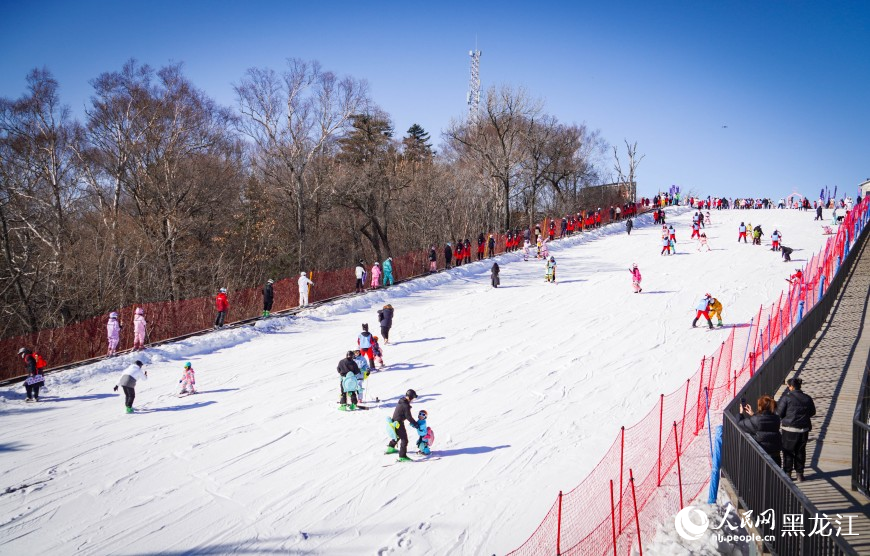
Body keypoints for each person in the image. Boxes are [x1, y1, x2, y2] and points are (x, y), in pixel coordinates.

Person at [777, 378, 816, 481]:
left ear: (792, 387)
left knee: (788, 452)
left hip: (789, 430)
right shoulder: (807, 398)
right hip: (803, 430)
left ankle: (788, 473)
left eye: (788, 386)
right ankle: (800, 474)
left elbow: (779, 413)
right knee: (800, 451)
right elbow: (812, 412)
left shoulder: (786, 398)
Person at [739, 394, 783, 466]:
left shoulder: (756, 419)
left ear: (760, 407)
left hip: (762, 455)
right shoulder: (776, 418)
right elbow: (764, 424)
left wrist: (741, 413)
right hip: (775, 454)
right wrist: (753, 414)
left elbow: (740, 423)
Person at [386, 389, 419, 461]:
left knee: (398, 435)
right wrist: (416, 424)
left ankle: (390, 448)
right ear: (410, 397)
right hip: (398, 423)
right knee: (405, 440)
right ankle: (402, 456)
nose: (413, 399)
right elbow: (409, 417)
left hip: (395, 421)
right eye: (413, 397)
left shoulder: (402, 400)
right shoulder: (405, 405)